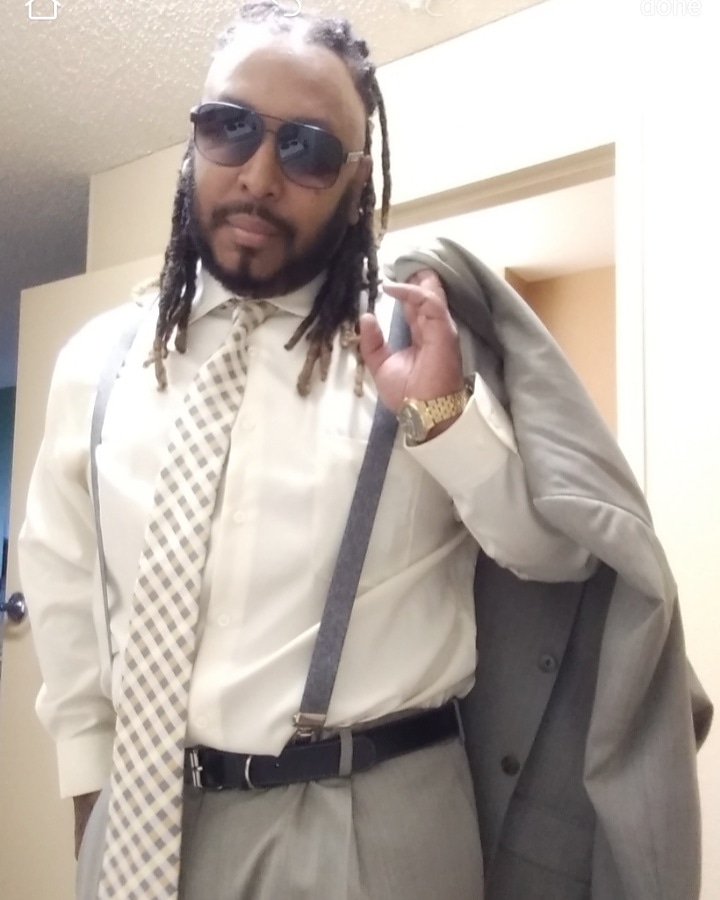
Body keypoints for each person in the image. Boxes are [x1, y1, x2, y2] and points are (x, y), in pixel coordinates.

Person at [18, 3, 707, 900]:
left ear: (357, 183)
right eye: (229, 127)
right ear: (194, 143)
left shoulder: (421, 338)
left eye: (306, 148)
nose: (259, 174)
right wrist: (93, 808)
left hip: (369, 824)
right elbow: (68, 600)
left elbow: (558, 556)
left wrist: (443, 421)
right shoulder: (98, 363)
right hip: (146, 820)